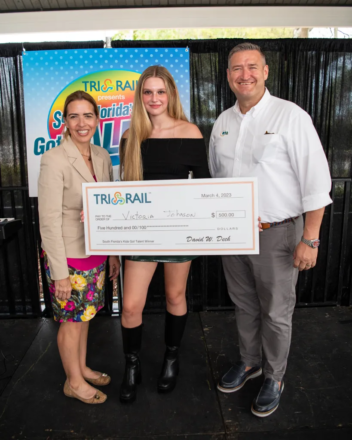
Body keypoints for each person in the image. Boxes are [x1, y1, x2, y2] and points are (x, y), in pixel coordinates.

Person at [209, 43, 332, 417]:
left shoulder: (291, 116)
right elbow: (216, 177)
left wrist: (310, 238)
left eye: (251, 67)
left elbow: (316, 181)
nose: (243, 74)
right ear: (228, 76)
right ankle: (250, 362)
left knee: (276, 312)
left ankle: (275, 376)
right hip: (234, 232)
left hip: (277, 232)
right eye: (236, 68)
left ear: (265, 72)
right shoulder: (222, 122)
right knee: (244, 304)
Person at [118, 65, 211, 403]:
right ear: (140, 97)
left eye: (160, 91)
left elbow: (203, 189)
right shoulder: (130, 136)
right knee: (130, 306)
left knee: (175, 297)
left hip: (178, 232)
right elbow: (125, 191)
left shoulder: (190, 132)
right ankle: (132, 365)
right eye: (147, 92)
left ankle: (171, 359)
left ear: (170, 94)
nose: (154, 98)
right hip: (141, 232)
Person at [38, 90, 120, 405]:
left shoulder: (101, 155)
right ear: (65, 122)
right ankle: (73, 382)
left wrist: (112, 252)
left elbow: (109, 209)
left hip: (96, 251)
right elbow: (48, 221)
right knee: (71, 322)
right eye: (74, 116)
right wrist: (59, 274)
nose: (81, 122)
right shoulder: (54, 158)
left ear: (97, 120)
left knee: (84, 317)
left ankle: (81, 367)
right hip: (69, 256)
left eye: (88, 115)